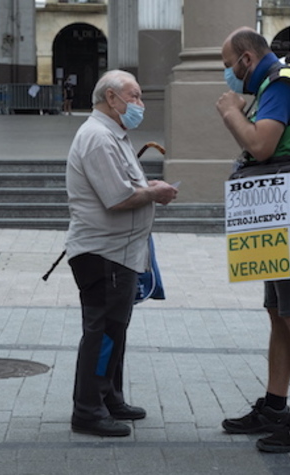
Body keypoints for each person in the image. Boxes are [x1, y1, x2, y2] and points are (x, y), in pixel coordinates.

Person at [216, 27, 290, 453]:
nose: (228, 76)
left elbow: (261, 146)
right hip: (280, 211)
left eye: (229, 65)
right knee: (279, 313)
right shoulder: (274, 84)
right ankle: (274, 404)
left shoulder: (284, 85)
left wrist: (231, 111)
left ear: (247, 58)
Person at [65, 69, 178, 437]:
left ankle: (109, 396)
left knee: (115, 328)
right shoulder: (98, 137)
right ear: (111, 98)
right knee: (104, 331)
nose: (140, 104)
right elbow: (118, 198)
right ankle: (88, 409)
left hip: (120, 252)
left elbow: (128, 185)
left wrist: (148, 188)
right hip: (103, 253)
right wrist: (154, 192)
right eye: (134, 96)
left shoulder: (113, 134)